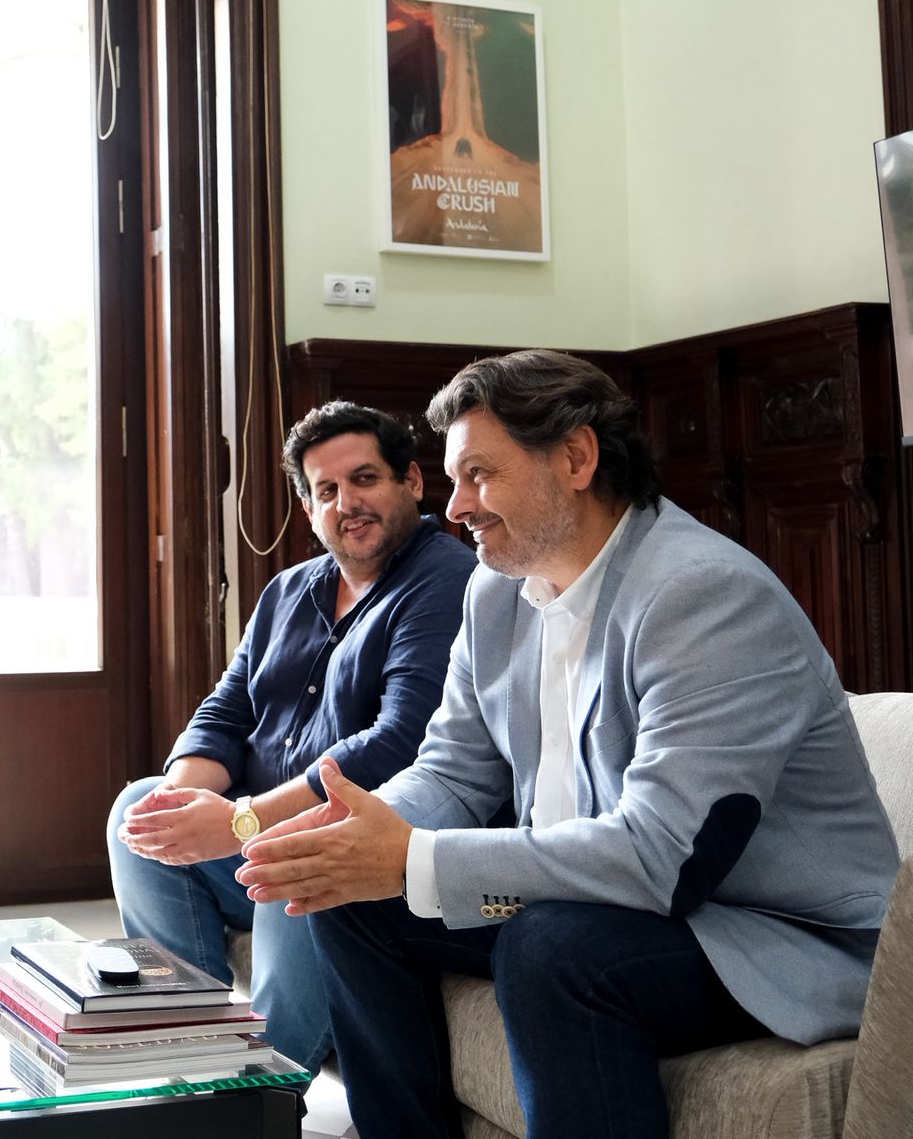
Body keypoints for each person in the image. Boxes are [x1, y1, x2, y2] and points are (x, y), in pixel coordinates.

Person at [238, 349, 901, 1139]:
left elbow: (662, 857)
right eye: (453, 480)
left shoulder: (704, 594)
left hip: (758, 933)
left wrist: (413, 858)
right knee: (355, 900)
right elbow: (451, 771)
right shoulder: (495, 592)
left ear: (577, 458)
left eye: (479, 475)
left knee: (551, 948)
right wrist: (357, 835)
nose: (457, 507)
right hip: (598, 899)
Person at [109, 400, 474, 1070]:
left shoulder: (448, 581)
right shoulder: (288, 590)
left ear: (413, 482)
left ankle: (258, 1098)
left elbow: (399, 741)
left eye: (364, 479)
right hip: (257, 834)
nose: (347, 503)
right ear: (308, 510)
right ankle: (186, 1055)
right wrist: (182, 807)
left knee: (297, 859)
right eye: (325, 491)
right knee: (138, 810)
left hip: (367, 848)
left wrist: (244, 821)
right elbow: (225, 713)